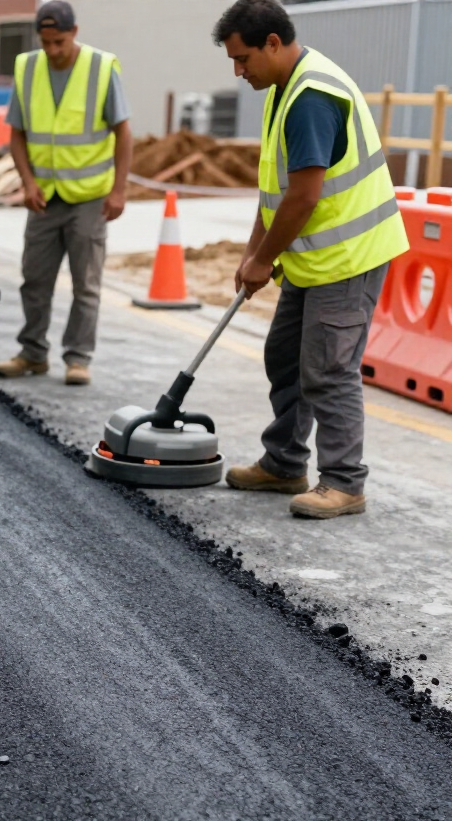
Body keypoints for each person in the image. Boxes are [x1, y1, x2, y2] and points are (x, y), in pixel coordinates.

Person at [214, 0, 408, 518]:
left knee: (329, 369)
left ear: (272, 43)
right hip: (313, 256)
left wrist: (264, 259)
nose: (238, 70)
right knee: (283, 357)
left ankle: (345, 483)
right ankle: (284, 464)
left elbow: (304, 195)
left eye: (243, 58)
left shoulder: (311, 97)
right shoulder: (283, 87)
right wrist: (255, 253)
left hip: (349, 256)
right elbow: (274, 188)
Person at [0, 0, 132, 387]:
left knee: (85, 283)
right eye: (46, 42)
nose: (52, 50)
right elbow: (17, 133)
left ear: (74, 33)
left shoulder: (101, 68)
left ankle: (78, 357)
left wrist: (119, 189)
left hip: (89, 197)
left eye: (59, 41)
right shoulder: (27, 68)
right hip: (44, 197)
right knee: (34, 279)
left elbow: (123, 131)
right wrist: (27, 182)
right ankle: (33, 353)